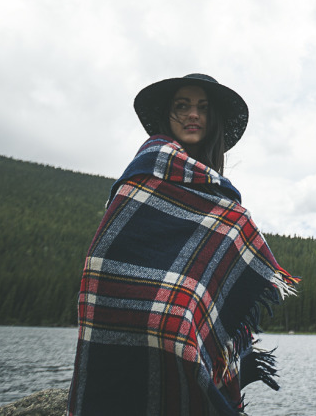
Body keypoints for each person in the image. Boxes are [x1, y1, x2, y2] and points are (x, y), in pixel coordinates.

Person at [68, 73, 297, 416]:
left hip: (184, 327)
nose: (193, 114)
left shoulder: (215, 188)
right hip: (129, 320)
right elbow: (106, 255)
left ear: (212, 119)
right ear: (167, 115)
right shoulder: (148, 167)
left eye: (202, 108)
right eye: (182, 106)